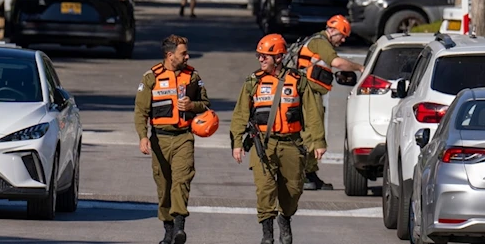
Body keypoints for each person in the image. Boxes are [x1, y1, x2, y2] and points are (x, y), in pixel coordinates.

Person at [230, 33, 326, 244]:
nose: (261, 59)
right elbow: (239, 115)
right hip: (262, 145)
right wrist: (237, 143)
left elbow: (312, 111)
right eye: (259, 55)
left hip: (291, 143)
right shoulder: (252, 82)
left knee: (292, 191)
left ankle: (285, 217)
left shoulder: (298, 81)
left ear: (280, 57)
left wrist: (318, 140)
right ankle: (267, 235)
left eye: (266, 56)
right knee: (265, 189)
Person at [133, 34, 211, 244]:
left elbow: (205, 103)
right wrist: (142, 137)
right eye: (183, 53)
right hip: (160, 140)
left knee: (181, 181)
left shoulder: (193, 76)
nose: (187, 57)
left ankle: (179, 228)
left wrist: (192, 106)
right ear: (170, 55)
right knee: (164, 186)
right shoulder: (151, 77)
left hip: (184, 137)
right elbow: (141, 111)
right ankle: (168, 231)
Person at [296, 15, 365, 191]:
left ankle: (309, 174)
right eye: (342, 35)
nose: (343, 40)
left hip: (307, 91)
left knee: (310, 132)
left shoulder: (317, 42)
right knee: (312, 131)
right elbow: (337, 62)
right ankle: (303, 174)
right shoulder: (320, 42)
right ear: (332, 30)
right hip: (308, 92)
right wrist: (360, 68)